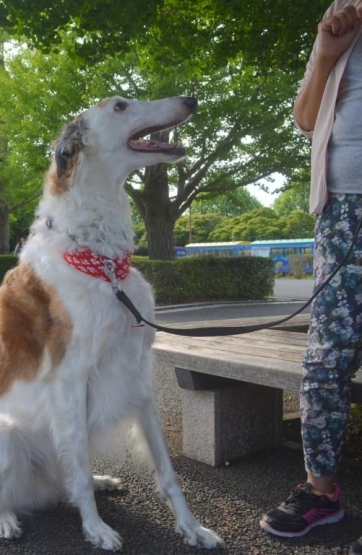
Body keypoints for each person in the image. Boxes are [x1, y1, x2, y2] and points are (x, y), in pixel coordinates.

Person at [259, 2, 362, 553]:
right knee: (325, 361)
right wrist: (324, 55)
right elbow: (306, 118)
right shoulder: (341, 23)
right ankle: (321, 492)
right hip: (340, 215)